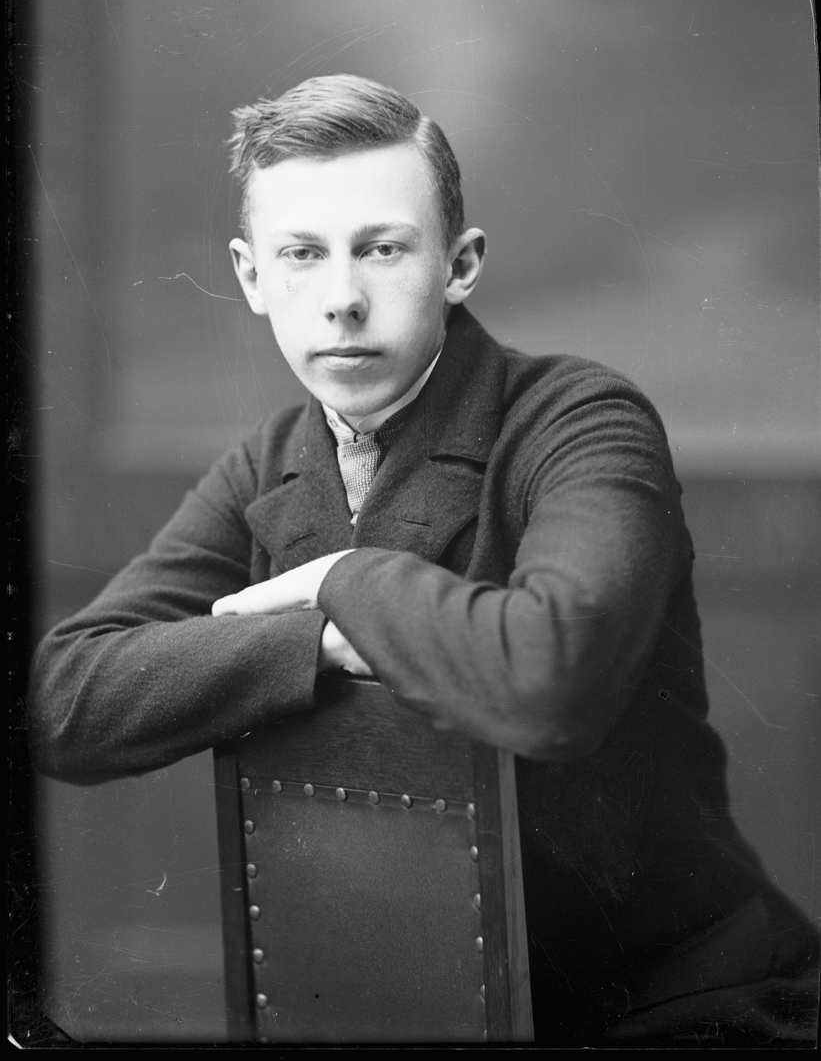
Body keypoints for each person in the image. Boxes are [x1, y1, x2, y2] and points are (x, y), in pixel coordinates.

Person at [29, 74, 818, 1046]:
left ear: (459, 264)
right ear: (250, 276)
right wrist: (319, 641)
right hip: (418, 1015)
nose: (341, 300)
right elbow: (63, 700)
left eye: (382, 248)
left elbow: (546, 679)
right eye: (302, 255)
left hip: (678, 1010)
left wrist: (341, 579)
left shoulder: (579, 418)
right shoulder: (267, 464)